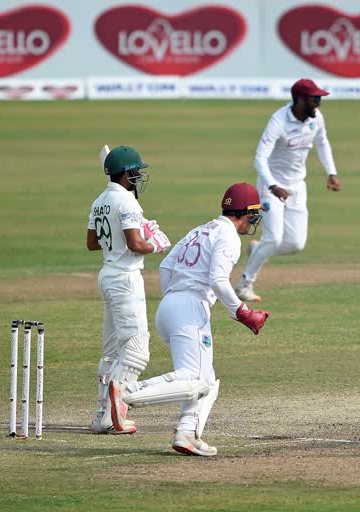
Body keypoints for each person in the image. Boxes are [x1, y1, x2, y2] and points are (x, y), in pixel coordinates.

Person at [108, 183, 270, 456]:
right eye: (253, 215)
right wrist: (241, 311)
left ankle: (187, 433)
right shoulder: (228, 236)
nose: (253, 221)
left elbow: (166, 266)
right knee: (193, 379)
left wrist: (175, 297)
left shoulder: (201, 229)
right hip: (188, 308)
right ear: (246, 213)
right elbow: (218, 280)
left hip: (171, 305)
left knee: (207, 381)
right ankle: (127, 392)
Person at [86, 145, 171, 434]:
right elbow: (136, 245)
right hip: (125, 278)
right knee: (136, 351)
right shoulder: (128, 204)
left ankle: (102, 416)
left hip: (107, 275)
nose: (137, 176)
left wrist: (135, 234)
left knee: (111, 351)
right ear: (124, 174)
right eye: (135, 172)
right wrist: (154, 243)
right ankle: (117, 408)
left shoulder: (99, 201)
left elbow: (92, 242)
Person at [234, 78, 341, 302]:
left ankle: (257, 251)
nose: (319, 103)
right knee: (273, 238)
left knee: (295, 243)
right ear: (300, 99)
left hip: (297, 186)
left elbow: (322, 143)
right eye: (315, 99)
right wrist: (273, 185)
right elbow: (259, 159)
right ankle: (244, 285)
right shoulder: (278, 121)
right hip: (271, 187)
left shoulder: (316, 118)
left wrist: (331, 172)